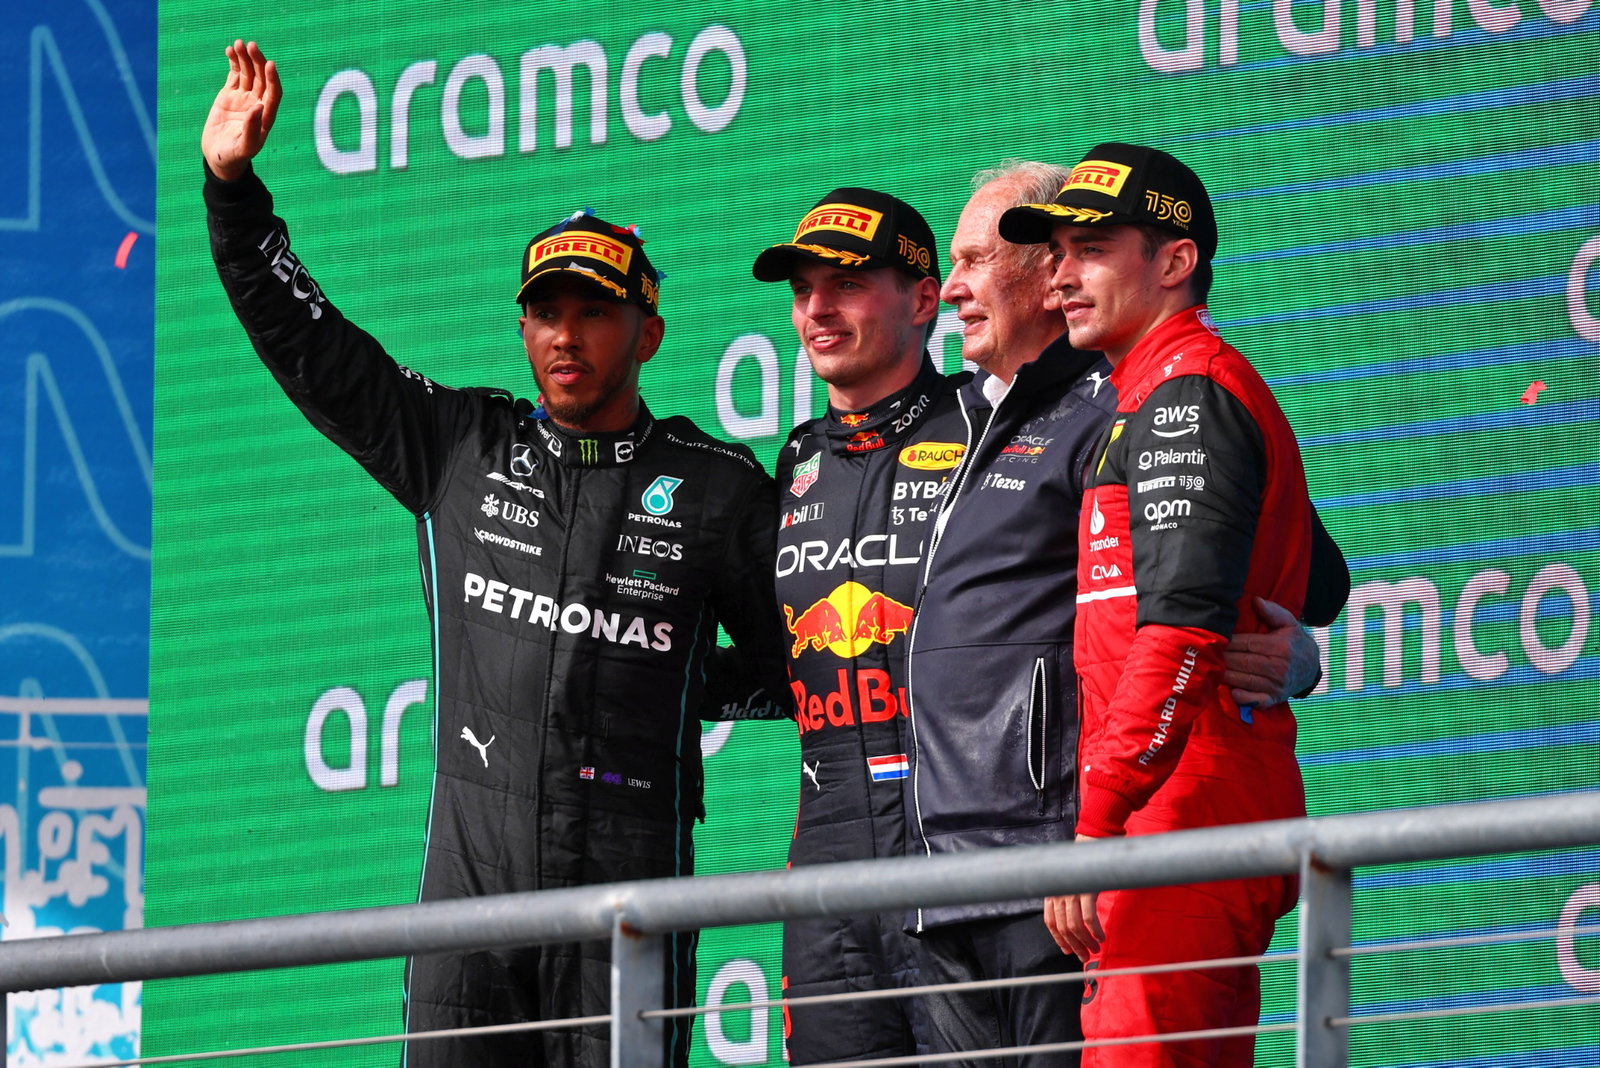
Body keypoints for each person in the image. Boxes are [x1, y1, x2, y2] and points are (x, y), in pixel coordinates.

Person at [200, 41, 788, 1068]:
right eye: (546, 314)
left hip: (630, 905)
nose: (566, 336)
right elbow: (314, 348)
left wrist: (689, 684)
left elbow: (802, 659)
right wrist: (233, 193)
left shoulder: (714, 486)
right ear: (522, 330)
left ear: (647, 333)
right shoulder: (461, 446)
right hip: (469, 915)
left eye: (593, 313)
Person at [905, 162, 1348, 1067]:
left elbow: (1184, 630)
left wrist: (1096, 828)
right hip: (1164, 806)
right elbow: (1295, 573)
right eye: (1058, 252)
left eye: (1093, 251)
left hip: (1177, 809)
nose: (1063, 274)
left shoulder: (1190, 391)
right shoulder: (1144, 395)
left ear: (1176, 259)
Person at [751, 188, 965, 1063]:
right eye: (803, 289)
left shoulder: (992, 425)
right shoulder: (798, 456)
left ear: (924, 299)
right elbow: (783, 660)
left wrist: (1286, 647)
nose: (816, 310)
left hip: (960, 838)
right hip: (831, 853)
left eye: (846, 283)